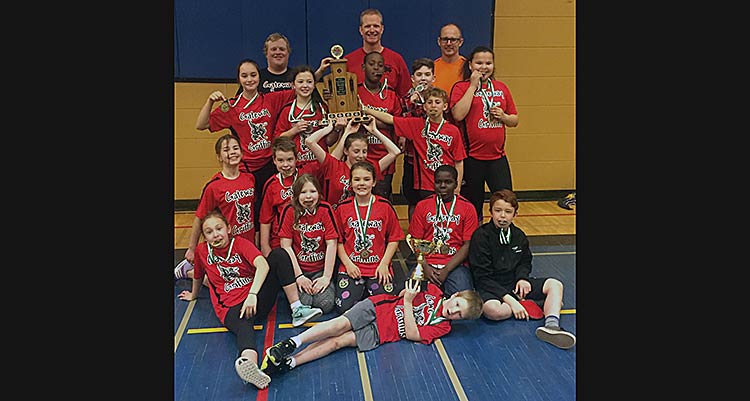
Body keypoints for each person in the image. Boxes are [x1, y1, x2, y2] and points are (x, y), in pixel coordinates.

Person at [176, 209, 323, 389]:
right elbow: (199, 275)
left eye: (219, 228)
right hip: (231, 307)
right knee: (245, 328)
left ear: (228, 228)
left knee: (278, 255)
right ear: (204, 237)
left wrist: (252, 294)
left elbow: (262, 264)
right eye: (209, 232)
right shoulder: (201, 252)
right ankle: (250, 366)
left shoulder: (240, 244)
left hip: (255, 299)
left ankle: (297, 308)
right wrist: (194, 294)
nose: (215, 234)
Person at [259, 279, 483, 376]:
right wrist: (407, 292)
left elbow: (414, 334)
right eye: (456, 305)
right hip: (378, 308)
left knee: (339, 341)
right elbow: (407, 290)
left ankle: (291, 362)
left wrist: (406, 302)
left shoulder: (444, 328)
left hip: (382, 333)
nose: (453, 311)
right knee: (339, 325)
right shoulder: (433, 291)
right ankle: (291, 343)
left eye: (458, 314)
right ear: (454, 295)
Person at [195, 59, 295, 243]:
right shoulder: (232, 107)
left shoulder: (270, 100)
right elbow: (201, 125)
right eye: (244, 76)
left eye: (253, 75)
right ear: (239, 79)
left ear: (259, 77)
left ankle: (271, 247)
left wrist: (320, 73)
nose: (249, 79)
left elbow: (303, 88)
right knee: (251, 213)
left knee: (272, 211)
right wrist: (210, 101)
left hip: (270, 166)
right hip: (247, 169)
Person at [468, 189, 576, 350]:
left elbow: (525, 261)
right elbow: (481, 277)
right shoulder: (481, 237)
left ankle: (551, 325)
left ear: (515, 214)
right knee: (492, 311)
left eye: (508, 212)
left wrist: (522, 278)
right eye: (498, 211)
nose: (502, 216)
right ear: (490, 211)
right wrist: (512, 301)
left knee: (555, 284)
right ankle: (533, 305)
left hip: (515, 284)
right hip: (491, 287)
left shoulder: (519, 235)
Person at [449, 46, 519, 222]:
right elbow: (458, 115)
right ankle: (474, 243)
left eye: (488, 63)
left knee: (505, 201)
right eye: (479, 63)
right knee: (473, 205)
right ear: (471, 65)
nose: (484, 67)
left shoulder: (501, 88)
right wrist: (473, 86)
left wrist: (503, 116)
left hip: (497, 158)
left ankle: (501, 238)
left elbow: (514, 120)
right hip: (472, 158)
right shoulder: (461, 87)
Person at [365, 87, 466, 203]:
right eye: (429, 102)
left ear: (445, 106)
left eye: (437, 102)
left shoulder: (453, 131)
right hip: (426, 186)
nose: (433, 105)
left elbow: (459, 161)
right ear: (424, 107)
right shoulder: (416, 125)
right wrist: (365, 109)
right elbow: (390, 119)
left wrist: (457, 188)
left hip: (447, 184)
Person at [178, 135, 257, 279]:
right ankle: (188, 272)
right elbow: (199, 217)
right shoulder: (214, 186)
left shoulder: (249, 178)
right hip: (225, 245)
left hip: (246, 243)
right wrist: (191, 248)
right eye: (227, 150)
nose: (232, 152)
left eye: (235, 148)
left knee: (254, 278)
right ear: (219, 157)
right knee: (229, 281)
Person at [332, 161, 405, 314]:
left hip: (378, 267)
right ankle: (362, 291)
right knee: (344, 308)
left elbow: (394, 238)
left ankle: (366, 291)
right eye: (357, 179)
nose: (361, 183)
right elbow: (338, 241)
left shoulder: (385, 207)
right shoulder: (342, 208)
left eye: (366, 179)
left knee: (387, 307)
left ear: (374, 182)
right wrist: (348, 264)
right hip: (352, 267)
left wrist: (385, 264)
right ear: (350, 183)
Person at [407, 165, 478, 295]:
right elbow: (415, 241)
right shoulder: (422, 206)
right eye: (438, 182)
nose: (443, 186)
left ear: (456, 184)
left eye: (448, 182)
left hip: (454, 266)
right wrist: (425, 267)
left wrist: (446, 270)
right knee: (411, 298)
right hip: (426, 264)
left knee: (464, 303)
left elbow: (468, 245)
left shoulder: (468, 208)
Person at [305, 117, 401, 211]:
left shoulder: (369, 169)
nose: (361, 156)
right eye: (356, 151)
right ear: (346, 151)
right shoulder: (334, 166)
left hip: (358, 221)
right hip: (336, 218)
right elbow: (310, 141)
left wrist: (375, 131)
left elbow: (395, 152)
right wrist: (329, 129)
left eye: (364, 151)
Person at [277, 174, 339, 314]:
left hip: (320, 270)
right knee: (305, 303)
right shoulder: (289, 211)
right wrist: (298, 276)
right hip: (298, 270)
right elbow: (285, 246)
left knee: (325, 304)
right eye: (303, 192)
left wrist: (326, 277)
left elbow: (332, 244)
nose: (308, 197)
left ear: (319, 192)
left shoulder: (325, 209)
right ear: (296, 195)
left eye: (313, 191)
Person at [274, 65, 345, 177]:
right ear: (293, 85)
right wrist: (295, 130)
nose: (305, 85)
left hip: (319, 165)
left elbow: (329, 142)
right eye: (300, 82)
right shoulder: (287, 111)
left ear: (314, 84)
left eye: (309, 82)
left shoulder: (322, 109)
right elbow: (277, 141)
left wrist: (337, 129)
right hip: (295, 167)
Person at [356, 51, 403, 201]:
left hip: (385, 159)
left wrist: (371, 121)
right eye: (371, 64)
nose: (376, 68)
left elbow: (396, 124)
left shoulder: (391, 95)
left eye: (380, 65)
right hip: (360, 158)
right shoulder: (355, 93)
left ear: (384, 70)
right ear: (363, 67)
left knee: (382, 202)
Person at [258, 136, 315, 257]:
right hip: (280, 241)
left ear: (296, 159)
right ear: (274, 160)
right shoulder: (271, 185)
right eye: (280, 160)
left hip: (306, 237)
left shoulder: (306, 175)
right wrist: (265, 247)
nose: (286, 165)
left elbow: (331, 162)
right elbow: (265, 219)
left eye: (290, 159)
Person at [234, 33, 333, 96]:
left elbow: (314, 103)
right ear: (266, 53)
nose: (278, 52)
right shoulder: (255, 78)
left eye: (282, 49)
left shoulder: (298, 77)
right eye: (273, 49)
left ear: (288, 52)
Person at [344, 8, 412, 98]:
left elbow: (406, 95)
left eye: (376, 26)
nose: (372, 30)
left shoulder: (396, 59)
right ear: (360, 30)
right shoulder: (348, 61)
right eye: (367, 26)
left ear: (382, 29)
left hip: (390, 112)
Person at [400, 58, 436, 221]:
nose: (423, 78)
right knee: (413, 198)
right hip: (412, 159)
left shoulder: (439, 99)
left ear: (433, 78)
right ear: (412, 78)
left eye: (427, 74)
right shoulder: (406, 100)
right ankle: (414, 236)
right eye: (419, 74)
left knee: (434, 198)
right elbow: (402, 125)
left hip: (433, 159)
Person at [433, 23, 466, 95]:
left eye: (453, 39)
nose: (448, 43)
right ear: (439, 41)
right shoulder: (431, 68)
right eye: (445, 39)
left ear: (460, 42)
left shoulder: (468, 68)